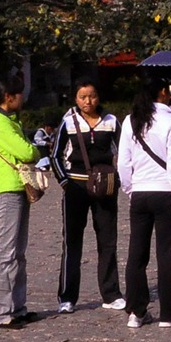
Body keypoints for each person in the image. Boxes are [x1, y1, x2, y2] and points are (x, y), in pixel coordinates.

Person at [50, 80, 126, 314]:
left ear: (98, 97)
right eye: (83, 97)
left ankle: (111, 293)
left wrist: (119, 180)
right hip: (76, 188)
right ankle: (67, 296)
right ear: (76, 99)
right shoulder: (68, 123)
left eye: (92, 96)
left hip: (105, 189)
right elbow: (55, 155)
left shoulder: (112, 122)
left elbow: (124, 154)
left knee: (108, 241)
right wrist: (65, 182)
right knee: (72, 243)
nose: (88, 101)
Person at [117, 75, 171, 329]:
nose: (170, 95)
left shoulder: (130, 120)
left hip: (140, 193)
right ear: (160, 93)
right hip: (165, 193)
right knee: (166, 254)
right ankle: (168, 313)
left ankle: (136, 311)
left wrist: (130, 189)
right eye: (168, 91)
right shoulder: (170, 121)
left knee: (136, 253)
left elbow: (123, 162)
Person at [0, 74, 43, 329]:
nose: (23, 99)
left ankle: (18, 307)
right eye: (19, 95)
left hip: (20, 187)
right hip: (7, 189)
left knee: (19, 253)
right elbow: (26, 150)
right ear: (9, 97)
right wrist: (36, 150)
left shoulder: (12, 120)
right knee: (5, 253)